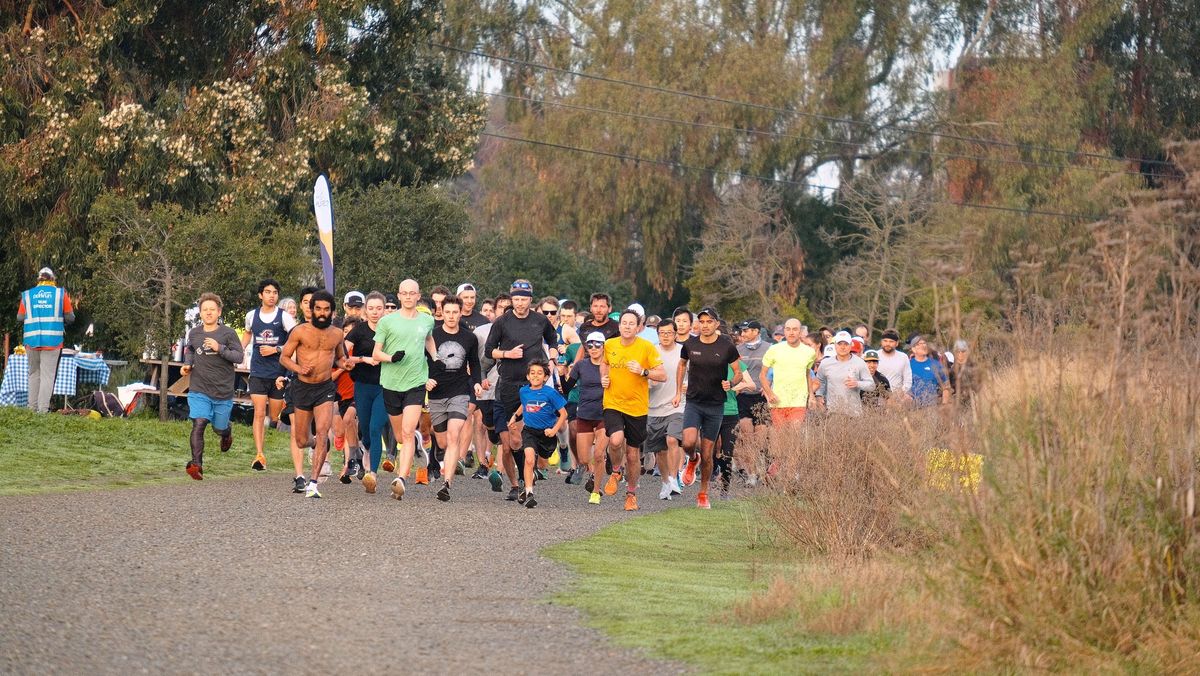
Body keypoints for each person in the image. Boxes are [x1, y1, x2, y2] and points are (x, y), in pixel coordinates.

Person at [482, 280, 559, 501]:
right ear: (511, 299)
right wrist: (507, 354)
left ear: (530, 299)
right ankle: (516, 484)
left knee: (522, 437)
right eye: (516, 299)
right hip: (506, 385)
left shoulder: (540, 320)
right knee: (508, 444)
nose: (520, 303)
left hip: (532, 387)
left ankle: (527, 481)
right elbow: (489, 351)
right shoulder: (502, 321)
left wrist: (553, 357)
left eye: (524, 299)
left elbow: (553, 339)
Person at [371, 279, 439, 501]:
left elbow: (428, 339)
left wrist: (435, 358)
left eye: (413, 293)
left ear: (419, 296)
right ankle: (416, 446)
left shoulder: (427, 320)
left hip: (416, 382)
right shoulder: (387, 322)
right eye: (404, 293)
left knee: (408, 432)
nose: (409, 297)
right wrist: (391, 358)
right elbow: (376, 354)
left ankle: (401, 479)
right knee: (400, 435)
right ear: (399, 296)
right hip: (391, 382)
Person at [278, 291, 351, 498]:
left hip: (325, 388)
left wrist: (344, 363)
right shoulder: (299, 331)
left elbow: (339, 358)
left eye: (326, 309)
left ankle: (313, 483)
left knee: (322, 430)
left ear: (332, 311)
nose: (322, 313)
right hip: (302, 387)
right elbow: (284, 357)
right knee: (302, 440)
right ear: (311, 310)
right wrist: (299, 369)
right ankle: (315, 444)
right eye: (318, 309)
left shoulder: (337, 333)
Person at [597, 309, 666, 511]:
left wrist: (644, 371)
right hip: (613, 402)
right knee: (616, 440)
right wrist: (604, 378)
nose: (627, 326)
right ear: (619, 326)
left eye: (631, 324)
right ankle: (616, 471)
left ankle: (631, 494)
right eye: (624, 323)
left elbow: (662, 375)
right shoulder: (610, 345)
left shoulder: (646, 347)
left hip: (637, 407)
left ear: (639, 327)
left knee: (633, 455)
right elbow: (604, 364)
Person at [675, 307, 742, 509]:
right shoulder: (690, 344)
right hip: (694, 402)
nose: (704, 325)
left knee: (708, 453)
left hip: (715, 405)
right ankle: (691, 459)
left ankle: (703, 493)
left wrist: (731, 383)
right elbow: (681, 366)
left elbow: (737, 372)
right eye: (701, 322)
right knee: (687, 443)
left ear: (716, 324)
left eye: (708, 322)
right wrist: (678, 392)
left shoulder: (726, 346)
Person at [425, 295, 483, 502]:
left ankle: (446, 483)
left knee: (453, 435)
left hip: (459, 390)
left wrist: (476, 381)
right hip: (436, 392)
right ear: (442, 312)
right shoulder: (432, 335)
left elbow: (475, 363)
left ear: (460, 313)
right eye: (447, 312)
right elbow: (421, 361)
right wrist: (425, 380)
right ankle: (442, 459)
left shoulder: (469, 338)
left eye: (454, 312)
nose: (451, 316)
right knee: (441, 441)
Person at [180, 293, 244, 480]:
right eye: (205, 309)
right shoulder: (194, 333)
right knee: (199, 423)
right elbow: (191, 350)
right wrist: (187, 365)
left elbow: (239, 357)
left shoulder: (227, 333)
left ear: (219, 311)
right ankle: (196, 465)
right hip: (199, 388)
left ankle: (226, 433)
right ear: (200, 312)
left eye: (212, 309)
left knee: (218, 427)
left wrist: (220, 348)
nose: (208, 313)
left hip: (222, 391)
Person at [242, 279, 297, 471]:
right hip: (257, 370)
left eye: (275, 292)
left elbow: (295, 339)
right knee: (258, 413)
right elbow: (248, 333)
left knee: (273, 416)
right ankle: (259, 455)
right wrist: (240, 349)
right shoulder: (251, 315)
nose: (272, 295)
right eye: (268, 292)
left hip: (278, 373)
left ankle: (281, 424)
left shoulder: (284, 317)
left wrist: (277, 349)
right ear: (260, 295)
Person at [507, 359, 567, 509]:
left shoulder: (550, 393)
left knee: (541, 464)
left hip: (547, 434)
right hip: (529, 431)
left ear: (545, 377)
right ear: (527, 376)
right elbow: (524, 404)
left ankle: (534, 474)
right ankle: (529, 493)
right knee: (528, 459)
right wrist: (514, 417)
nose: (535, 376)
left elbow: (563, 413)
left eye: (539, 373)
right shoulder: (524, 391)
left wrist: (554, 430)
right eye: (532, 373)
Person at [16, 267, 75, 413]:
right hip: (52, 341)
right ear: (52, 279)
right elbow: (70, 317)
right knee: (47, 376)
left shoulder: (28, 295)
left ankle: (31, 409)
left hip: (31, 341)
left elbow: (20, 317)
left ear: (39, 279)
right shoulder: (60, 294)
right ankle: (42, 411)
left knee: (33, 374)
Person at [346, 292, 386, 490]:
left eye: (379, 308)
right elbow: (343, 354)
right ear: (365, 310)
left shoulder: (390, 329)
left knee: (375, 427)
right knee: (366, 434)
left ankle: (372, 475)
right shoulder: (358, 331)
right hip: (362, 385)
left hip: (385, 386)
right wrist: (362, 359)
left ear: (385, 309)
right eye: (371, 308)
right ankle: (367, 449)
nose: (375, 312)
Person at [563, 332, 609, 497]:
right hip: (584, 414)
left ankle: (596, 491)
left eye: (598, 344)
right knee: (583, 459)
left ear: (604, 346)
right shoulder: (581, 365)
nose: (594, 348)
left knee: (598, 454)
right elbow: (567, 388)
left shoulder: (610, 365)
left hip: (605, 414)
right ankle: (590, 473)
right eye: (590, 345)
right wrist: (561, 374)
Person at [646, 321, 685, 501]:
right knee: (660, 450)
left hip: (678, 404)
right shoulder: (651, 351)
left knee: (672, 439)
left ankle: (674, 476)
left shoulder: (684, 352)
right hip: (653, 406)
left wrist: (687, 385)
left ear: (676, 334)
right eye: (662, 333)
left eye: (669, 332)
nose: (666, 336)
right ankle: (665, 481)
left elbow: (695, 373)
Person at [759, 318, 818, 426]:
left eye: (795, 329)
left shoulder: (809, 352)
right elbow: (762, 375)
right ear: (784, 331)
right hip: (778, 401)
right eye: (788, 329)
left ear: (800, 332)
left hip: (799, 402)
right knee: (781, 438)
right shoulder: (774, 349)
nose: (791, 332)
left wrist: (811, 396)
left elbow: (807, 374)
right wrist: (770, 393)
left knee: (794, 434)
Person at [814, 331, 875, 416]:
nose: (843, 347)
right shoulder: (825, 363)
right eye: (840, 344)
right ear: (835, 345)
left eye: (846, 344)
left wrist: (857, 383)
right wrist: (819, 396)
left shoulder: (859, 363)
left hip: (854, 413)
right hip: (832, 412)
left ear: (850, 345)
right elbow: (820, 382)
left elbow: (871, 385)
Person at [735, 320, 771, 437]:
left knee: (761, 436)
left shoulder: (769, 348)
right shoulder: (738, 350)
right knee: (747, 435)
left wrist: (769, 386)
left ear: (756, 331)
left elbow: (775, 370)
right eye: (741, 331)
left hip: (761, 396)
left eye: (746, 331)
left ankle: (761, 455)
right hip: (742, 396)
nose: (742, 334)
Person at [908, 335, 951, 407]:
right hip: (911, 408)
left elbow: (946, 386)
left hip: (931, 407)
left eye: (924, 343)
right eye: (919, 344)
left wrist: (944, 404)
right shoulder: (907, 365)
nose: (923, 346)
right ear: (913, 349)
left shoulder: (936, 364)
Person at [875, 328, 913, 403]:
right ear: (881, 342)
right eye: (885, 341)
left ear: (897, 343)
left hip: (897, 398)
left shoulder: (903, 357)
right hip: (877, 397)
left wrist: (900, 393)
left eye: (891, 341)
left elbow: (908, 381)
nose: (887, 344)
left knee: (909, 400)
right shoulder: (874, 355)